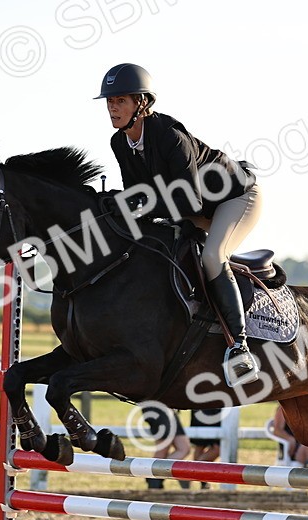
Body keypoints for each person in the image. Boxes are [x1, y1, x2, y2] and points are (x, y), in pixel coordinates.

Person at [96, 62, 262, 387]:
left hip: (235, 198)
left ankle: (239, 347)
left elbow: (189, 202)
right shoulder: (120, 143)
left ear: (141, 103)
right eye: (110, 102)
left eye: (121, 101)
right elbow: (138, 196)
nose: (113, 108)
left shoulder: (170, 136)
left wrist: (133, 204)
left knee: (213, 257)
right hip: (190, 207)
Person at [141, 405, 190, 490]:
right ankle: (154, 481)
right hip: (157, 405)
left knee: (184, 448)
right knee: (163, 449)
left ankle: (156, 476)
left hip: (169, 408)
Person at [188, 409, 224, 489]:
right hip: (212, 407)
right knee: (217, 447)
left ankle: (199, 478)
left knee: (200, 446)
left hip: (200, 406)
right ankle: (192, 472)